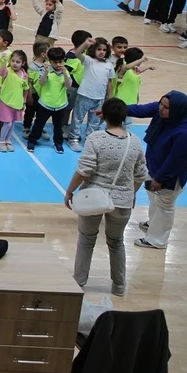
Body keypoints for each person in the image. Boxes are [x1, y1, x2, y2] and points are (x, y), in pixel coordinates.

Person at [64, 98, 148, 297]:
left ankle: (79, 282)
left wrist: (69, 191)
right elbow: (140, 175)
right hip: (123, 200)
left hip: (94, 197)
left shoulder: (96, 138)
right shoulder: (135, 141)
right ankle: (119, 286)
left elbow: (84, 170)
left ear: (105, 116)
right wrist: (132, 193)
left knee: (86, 240)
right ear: (124, 117)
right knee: (116, 242)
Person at [130, 91, 187, 250]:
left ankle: (157, 240)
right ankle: (154, 223)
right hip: (154, 166)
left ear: (177, 110)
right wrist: (113, 110)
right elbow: (141, 110)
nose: (160, 109)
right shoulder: (165, 114)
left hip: (169, 176)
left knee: (164, 204)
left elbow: (176, 160)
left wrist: (160, 179)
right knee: (153, 197)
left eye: (166, 107)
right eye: (160, 104)